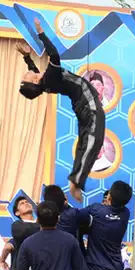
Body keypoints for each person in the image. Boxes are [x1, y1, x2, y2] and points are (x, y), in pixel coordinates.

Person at [17, 17, 105, 202]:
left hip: (81, 107)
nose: (26, 73)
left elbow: (34, 70)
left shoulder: (45, 81)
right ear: (34, 81)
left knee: (84, 143)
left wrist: (27, 57)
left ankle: (76, 180)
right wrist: (41, 32)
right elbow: (54, 55)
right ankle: (76, 181)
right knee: (93, 141)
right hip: (88, 105)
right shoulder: (50, 77)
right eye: (26, 77)